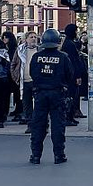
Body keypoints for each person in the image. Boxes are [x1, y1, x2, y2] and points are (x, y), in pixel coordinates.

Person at [28, 28, 74, 165]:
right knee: (58, 126)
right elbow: (69, 75)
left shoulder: (36, 57)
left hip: (40, 94)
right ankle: (59, 155)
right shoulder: (63, 57)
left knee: (38, 126)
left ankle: (36, 155)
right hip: (57, 93)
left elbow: (32, 74)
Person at [11, 31, 38, 133]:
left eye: (35, 37)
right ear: (26, 39)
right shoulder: (20, 50)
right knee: (27, 104)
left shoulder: (39, 50)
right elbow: (13, 64)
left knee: (38, 104)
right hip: (24, 81)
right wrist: (15, 77)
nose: (33, 39)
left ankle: (40, 124)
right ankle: (30, 124)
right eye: (31, 37)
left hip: (36, 81)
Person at [62, 24, 85, 124]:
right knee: (71, 96)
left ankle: (70, 116)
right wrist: (77, 75)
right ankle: (68, 116)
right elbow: (74, 61)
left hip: (70, 74)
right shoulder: (70, 44)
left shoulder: (68, 43)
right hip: (72, 75)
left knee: (72, 95)